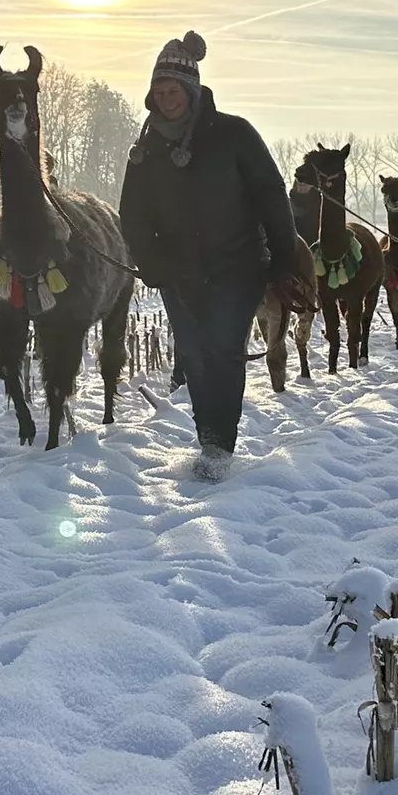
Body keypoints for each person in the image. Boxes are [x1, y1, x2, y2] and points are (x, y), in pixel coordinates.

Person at [119, 30, 308, 479]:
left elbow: (270, 196)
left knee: (224, 349)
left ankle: (219, 448)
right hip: (177, 272)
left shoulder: (234, 134)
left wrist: (284, 258)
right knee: (194, 355)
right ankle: (208, 439)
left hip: (236, 265)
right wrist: (151, 260)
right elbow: (133, 213)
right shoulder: (145, 150)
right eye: (159, 92)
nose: (167, 100)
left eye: (173, 91)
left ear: (190, 89)